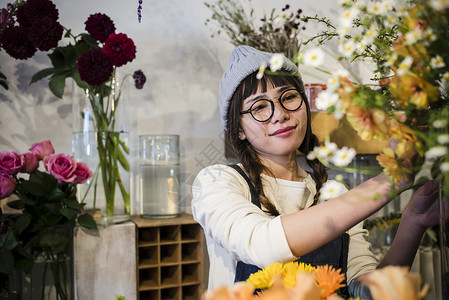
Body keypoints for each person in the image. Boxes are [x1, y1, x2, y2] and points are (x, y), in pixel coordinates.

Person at [191, 45, 440, 298]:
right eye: (259, 107)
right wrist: (391, 180)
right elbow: (262, 246)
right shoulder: (219, 182)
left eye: (288, 97)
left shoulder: (335, 195)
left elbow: (367, 293)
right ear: (239, 129)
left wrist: (414, 221)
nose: (280, 114)